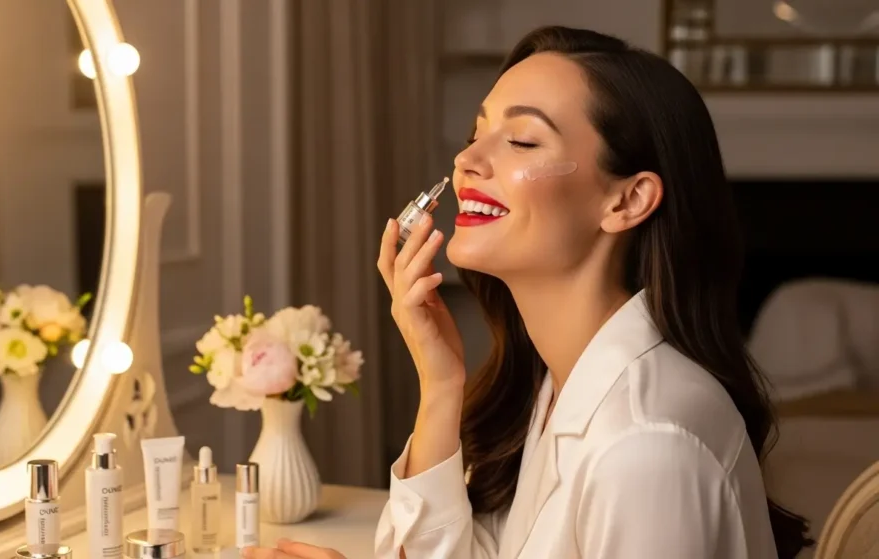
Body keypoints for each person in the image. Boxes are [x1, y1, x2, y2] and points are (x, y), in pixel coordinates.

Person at [240, 25, 813, 559]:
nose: (466, 160)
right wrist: (440, 386)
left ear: (627, 200)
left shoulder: (645, 448)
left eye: (520, 140)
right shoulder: (555, 388)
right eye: (476, 133)